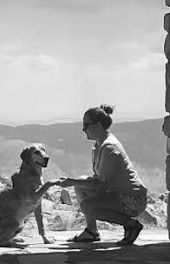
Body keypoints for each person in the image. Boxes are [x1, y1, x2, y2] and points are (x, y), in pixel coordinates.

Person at [55, 104, 148, 246]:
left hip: (133, 199)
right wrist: (76, 182)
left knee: (87, 206)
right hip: (118, 193)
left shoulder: (109, 148)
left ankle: (131, 225)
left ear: (97, 125)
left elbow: (100, 186)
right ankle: (91, 231)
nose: (83, 129)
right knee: (80, 184)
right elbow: (97, 180)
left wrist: (71, 181)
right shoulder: (99, 145)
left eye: (86, 125)